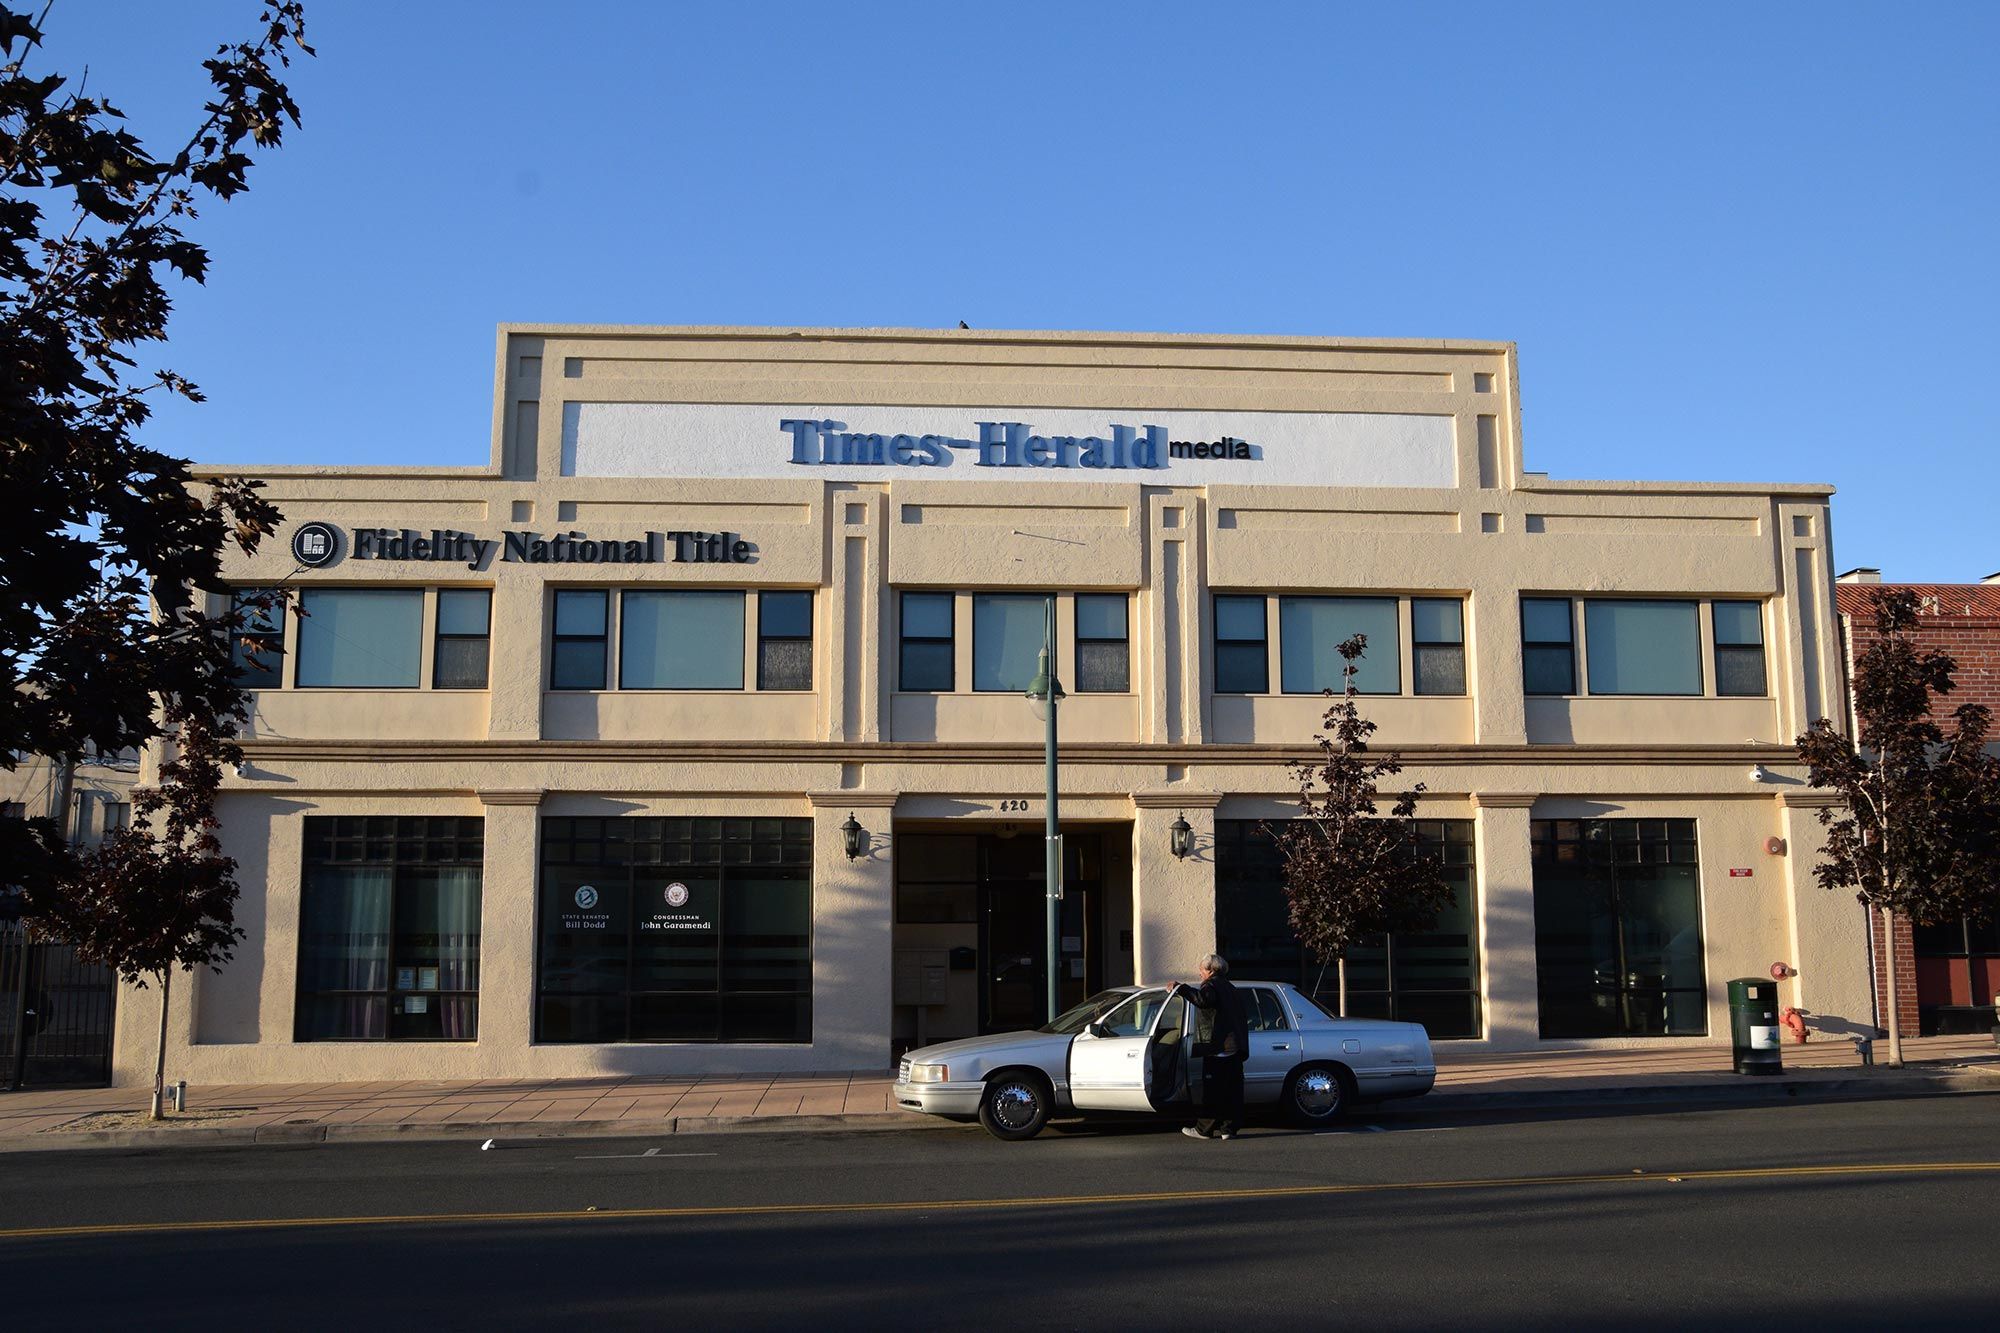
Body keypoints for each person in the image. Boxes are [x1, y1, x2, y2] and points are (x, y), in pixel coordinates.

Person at [1180, 953, 1248, 1141]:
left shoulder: (1211, 985)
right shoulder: (1230, 987)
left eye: (1201, 969)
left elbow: (1203, 1000)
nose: (1200, 973)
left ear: (1210, 970)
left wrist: (1181, 989)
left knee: (1212, 1091)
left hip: (1217, 1047)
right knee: (1232, 1091)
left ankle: (1204, 1129)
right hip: (1234, 1047)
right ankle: (1228, 1129)